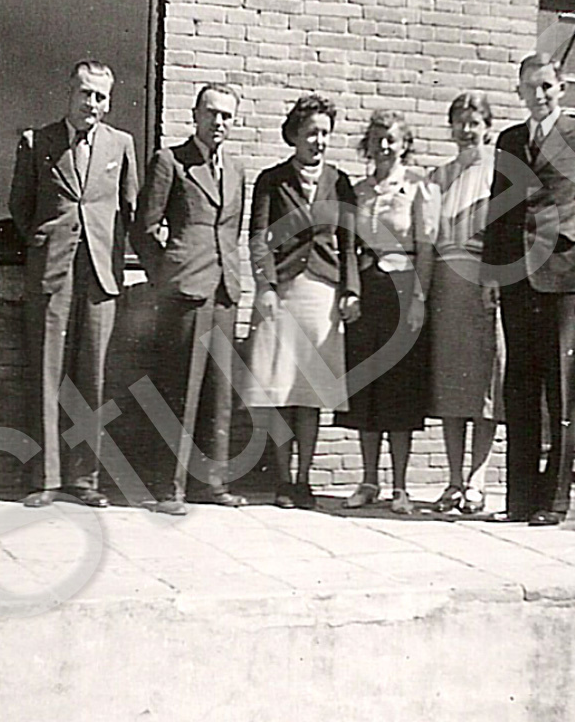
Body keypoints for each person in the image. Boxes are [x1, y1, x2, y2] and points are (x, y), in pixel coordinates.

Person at [482, 52, 575, 526]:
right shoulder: (509, 140)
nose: (538, 95)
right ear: (518, 91)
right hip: (517, 277)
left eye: (546, 86)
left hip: (563, 275)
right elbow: (498, 210)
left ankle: (554, 500)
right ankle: (519, 499)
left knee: (559, 388)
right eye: (530, 87)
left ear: (561, 88)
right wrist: (492, 274)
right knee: (519, 386)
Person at [7, 60, 137, 508]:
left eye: (100, 96)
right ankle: (45, 478)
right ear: (70, 93)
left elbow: (129, 208)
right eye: (85, 93)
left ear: (109, 102)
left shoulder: (121, 145)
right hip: (53, 270)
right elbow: (21, 206)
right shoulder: (38, 141)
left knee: (92, 376)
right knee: (47, 372)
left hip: (99, 273)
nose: (91, 103)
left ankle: (85, 479)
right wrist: (46, 241)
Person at [134, 83, 248, 515]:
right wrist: (166, 276)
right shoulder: (170, 161)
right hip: (184, 291)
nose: (219, 122)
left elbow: (231, 230)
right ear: (196, 115)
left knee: (219, 391)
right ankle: (170, 487)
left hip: (224, 290)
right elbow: (144, 229)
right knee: (180, 388)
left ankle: (211, 483)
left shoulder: (236, 169)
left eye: (227, 116)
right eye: (212, 113)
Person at [241, 94, 360, 509]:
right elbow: (258, 238)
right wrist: (265, 285)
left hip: (322, 293)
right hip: (283, 291)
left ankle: (305, 480)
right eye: (311, 133)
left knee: (309, 392)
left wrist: (351, 290)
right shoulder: (272, 180)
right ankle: (283, 479)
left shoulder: (340, 183)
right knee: (281, 388)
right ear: (294, 134)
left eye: (325, 133)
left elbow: (349, 242)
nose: (318, 141)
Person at [336, 110, 438, 515]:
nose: (384, 146)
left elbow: (426, 249)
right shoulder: (358, 190)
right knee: (366, 388)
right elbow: (348, 246)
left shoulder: (418, 187)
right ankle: (368, 481)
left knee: (399, 389)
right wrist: (351, 292)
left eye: (392, 139)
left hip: (402, 291)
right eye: (377, 138)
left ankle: (400, 487)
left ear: (404, 144)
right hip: (367, 291)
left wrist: (418, 300)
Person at [427, 91, 504, 516]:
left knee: (483, 385)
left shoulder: (499, 174)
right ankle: (453, 479)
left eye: (474, 122)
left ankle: (478, 480)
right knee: (450, 385)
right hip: (445, 285)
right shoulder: (438, 176)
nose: (466, 129)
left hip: (482, 284)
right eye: (459, 121)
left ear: (488, 128)